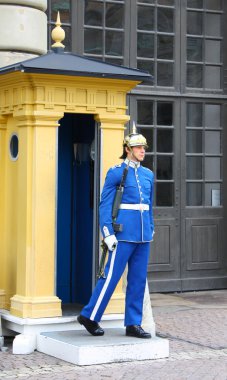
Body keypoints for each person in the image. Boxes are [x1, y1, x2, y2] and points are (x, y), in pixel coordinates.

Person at [77, 129, 154, 339]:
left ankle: (133, 324)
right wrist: (107, 232)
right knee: (110, 278)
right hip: (122, 234)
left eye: (143, 147)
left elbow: (148, 205)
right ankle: (89, 316)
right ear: (127, 150)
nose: (142, 151)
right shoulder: (116, 172)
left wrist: (151, 227)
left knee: (138, 280)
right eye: (138, 147)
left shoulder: (148, 174)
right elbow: (105, 205)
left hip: (143, 235)